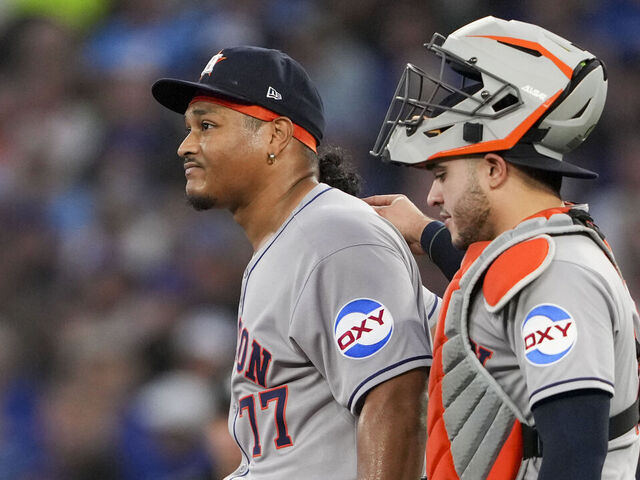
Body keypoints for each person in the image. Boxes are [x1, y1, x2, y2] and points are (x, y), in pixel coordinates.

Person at [366, 16, 640, 480]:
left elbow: (575, 456)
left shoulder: (559, 275)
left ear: (494, 169)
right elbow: (494, 287)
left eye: (442, 175)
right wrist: (424, 235)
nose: (432, 199)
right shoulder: (535, 259)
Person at [151, 46, 437, 479]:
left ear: (276, 136)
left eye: (206, 125)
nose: (185, 146)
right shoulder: (290, 243)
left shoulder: (334, 235)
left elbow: (394, 398)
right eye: (189, 128)